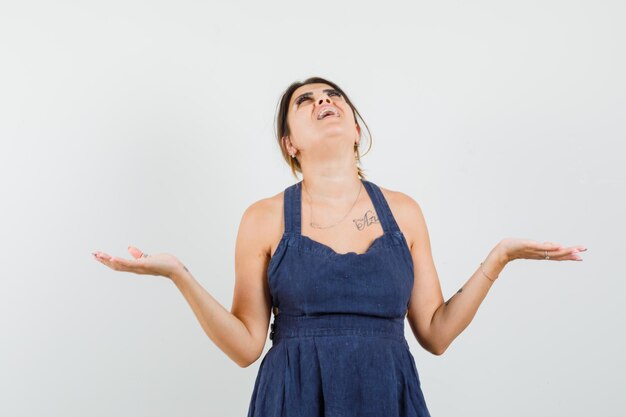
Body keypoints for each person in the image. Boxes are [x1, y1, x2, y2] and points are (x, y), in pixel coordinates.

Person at [92, 76, 587, 416]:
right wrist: (179, 273)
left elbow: (436, 333)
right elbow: (245, 346)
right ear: (290, 143)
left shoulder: (404, 211)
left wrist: (499, 256)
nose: (322, 101)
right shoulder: (263, 218)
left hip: (386, 394)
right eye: (304, 101)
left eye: (332, 96)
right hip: (294, 397)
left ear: (354, 127)